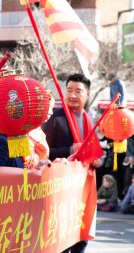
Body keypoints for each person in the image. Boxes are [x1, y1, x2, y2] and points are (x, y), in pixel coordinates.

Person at [42, 73, 101, 253]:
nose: (73, 95)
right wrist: (69, 150)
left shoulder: (88, 119)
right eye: (69, 91)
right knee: (62, 242)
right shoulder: (56, 117)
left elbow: (93, 154)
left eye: (78, 91)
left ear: (88, 94)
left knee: (80, 240)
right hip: (62, 192)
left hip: (83, 190)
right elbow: (43, 153)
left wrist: (97, 160)